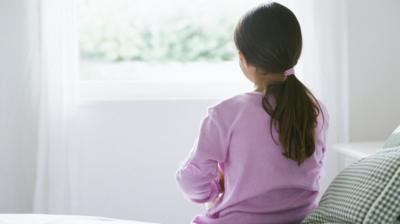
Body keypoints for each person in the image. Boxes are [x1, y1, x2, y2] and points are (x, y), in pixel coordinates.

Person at [176, 2, 329, 223]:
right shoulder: (316, 111)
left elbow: (191, 182)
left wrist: (215, 189)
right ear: (295, 54)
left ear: (243, 58)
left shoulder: (226, 114)